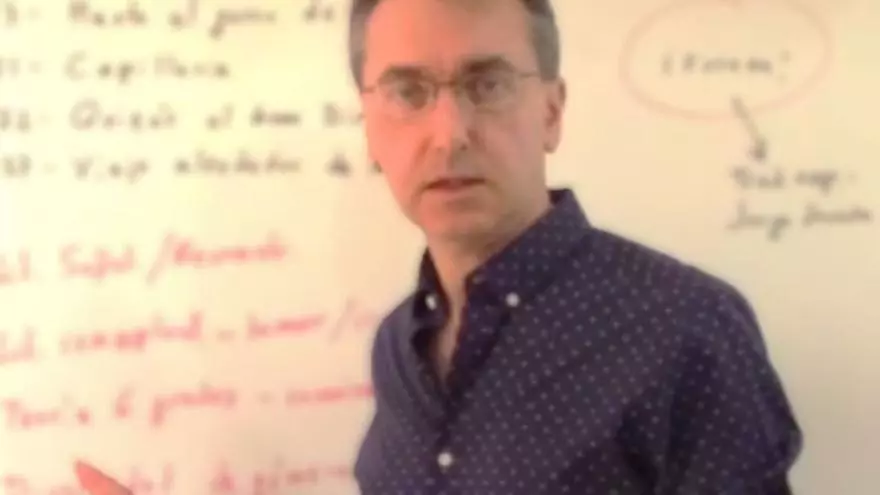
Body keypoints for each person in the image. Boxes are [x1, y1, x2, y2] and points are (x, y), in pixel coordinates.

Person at [73, 0, 804, 493]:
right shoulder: (399, 345)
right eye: (407, 91)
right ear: (369, 127)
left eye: (487, 84)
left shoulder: (685, 328)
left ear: (551, 112)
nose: (448, 132)